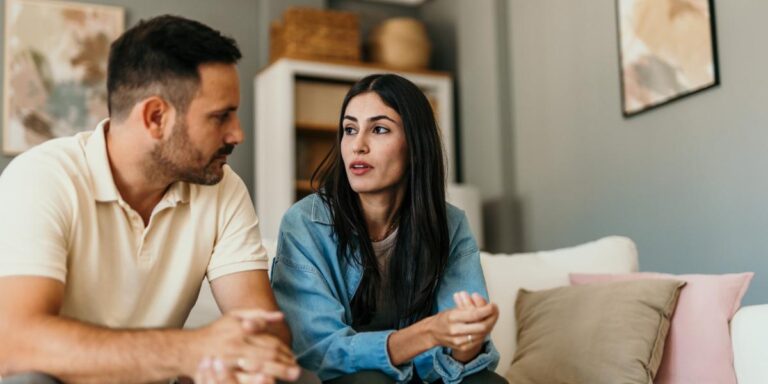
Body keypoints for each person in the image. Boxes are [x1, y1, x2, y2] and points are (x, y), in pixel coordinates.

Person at [0, 15, 302, 384]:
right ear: (156, 116)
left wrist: (237, 362)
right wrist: (189, 351)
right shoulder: (42, 177)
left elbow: (265, 330)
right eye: (221, 117)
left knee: (296, 378)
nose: (237, 133)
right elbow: (14, 343)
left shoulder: (223, 188)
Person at [270, 74, 507, 384]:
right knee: (371, 381)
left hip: (420, 377)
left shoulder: (451, 224)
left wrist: (468, 337)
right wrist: (426, 334)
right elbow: (320, 351)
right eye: (350, 129)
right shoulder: (304, 223)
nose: (358, 145)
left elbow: (456, 360)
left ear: (415, 146)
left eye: (379, 129)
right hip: (343, 379)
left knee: (486, 382)